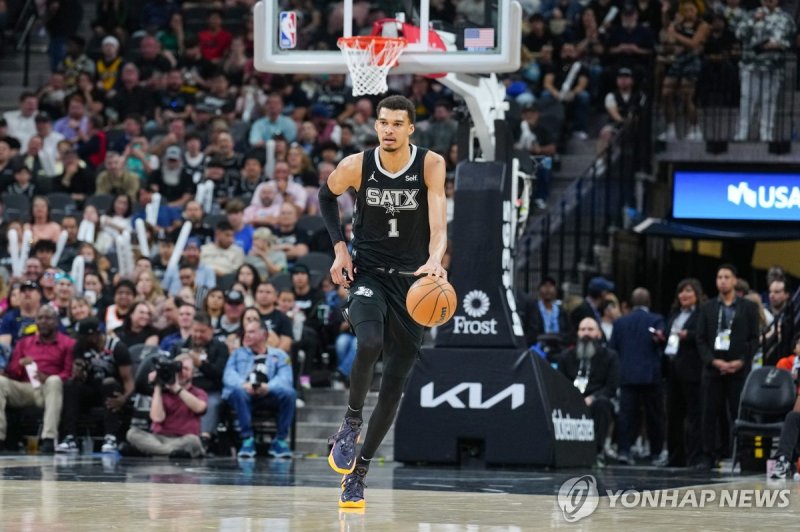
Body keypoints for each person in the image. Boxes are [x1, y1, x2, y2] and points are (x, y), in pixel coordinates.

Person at [318, 95, 447, 508]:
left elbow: (439, 223)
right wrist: (339, 249)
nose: (388, 129)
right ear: (376, 126)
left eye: (397, 123)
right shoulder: (358, 165)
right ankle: (351, 419)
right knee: (369, 343)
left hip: (413, 284)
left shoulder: (430, 163)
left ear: (411, 128)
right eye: (383, 122)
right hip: (368, 273)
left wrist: (434, 261)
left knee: (394, 384)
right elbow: (325, 196)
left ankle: (359, 474)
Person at [695, 264, 760, 470]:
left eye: (726, 277)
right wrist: (714, 361)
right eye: (719, 276)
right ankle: (708, 455)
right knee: (709, 413)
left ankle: (741, 454)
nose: (722, 280)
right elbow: (701, 339)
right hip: (713, 368)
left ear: (734, 280)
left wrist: (741, 361)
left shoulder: (748, 308)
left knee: (738, 412)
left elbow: (754, 338)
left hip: (738, 369)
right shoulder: (707, 308)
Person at [0, 305, 75, 453]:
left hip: (49, 390)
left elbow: (68, 373)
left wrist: (46, 378)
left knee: (54, 381)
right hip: (26, 388)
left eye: (48, 318)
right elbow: (11, 373)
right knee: (0, 382)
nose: (44, 321)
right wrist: (20, 365)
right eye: (40, 318)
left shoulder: (68, 343)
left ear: (56, 322)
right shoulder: (24, 343)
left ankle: (48, 439)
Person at [56, 317, 134, 454]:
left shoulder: (117, 347)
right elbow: (78, 371)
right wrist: (78, 372)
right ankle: (70, 438)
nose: (81, 340)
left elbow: (128, 381)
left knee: (109, 383)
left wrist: (124, 398)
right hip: (90, 390)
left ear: (95, 335)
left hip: (112, 392)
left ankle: (111, 437)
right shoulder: (80, 347)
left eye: (84, 336)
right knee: (70, 385)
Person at [609, 287, 667, 465]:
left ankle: (624, 450)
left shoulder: (620, 322)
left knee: (626, 415)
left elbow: (613, 348)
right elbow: (662, 344)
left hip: (627, 375)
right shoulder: (657, 320)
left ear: (631, 303)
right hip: (651, 376)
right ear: (649, 302)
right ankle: (656, 451)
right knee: (654, 416)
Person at [223, 320, 296, 459]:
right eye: (246, 332)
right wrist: (244, 384)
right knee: (237, 392)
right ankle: (247, 440)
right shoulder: (237, 354)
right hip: (244, 394)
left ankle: (280, 441)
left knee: (290, 393)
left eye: (251, 332)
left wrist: (268, 387)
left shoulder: (280, 355)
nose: (246, 335)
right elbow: (228, 376)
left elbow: (286, 379)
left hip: (270, 395)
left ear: (264, 335)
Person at [558, 317, 619, 466]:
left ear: (598, 333)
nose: (586, 333)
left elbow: (611, 387)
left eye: (590, 329)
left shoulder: (610, 356)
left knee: (603, 404)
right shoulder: (566, 357)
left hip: (597, 399)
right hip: (571, 399)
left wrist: (592, 398)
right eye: (583, 329)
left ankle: (597, 452)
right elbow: (559, 383)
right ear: (578, 333)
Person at [734, 0, 795, 142]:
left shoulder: (785, 18)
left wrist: (778, 44)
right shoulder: (750, 15)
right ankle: (742, 133)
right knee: (747, 99)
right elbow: (739, 34)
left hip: (773, 67)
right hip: (750, 65)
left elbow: (790, 41)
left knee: (769, 100)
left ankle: (766, 133)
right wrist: (753, 20)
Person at [126, 354, 207, 458]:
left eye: (186, 369)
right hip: (158, 438)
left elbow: (200, 408)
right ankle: (169, 453)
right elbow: (157, 418)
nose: (182, 372)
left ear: (192, 373)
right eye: (179, 369)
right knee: (132, 433)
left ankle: (150, 452)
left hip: (183, 439)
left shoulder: (198, 392)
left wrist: (176, 388)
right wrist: (157, 386)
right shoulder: (162, 392)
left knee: (193, 441)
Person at [168, 311, 228, 448]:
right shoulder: (179, 346)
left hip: (209, 389)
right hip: (184, 388)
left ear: (211, 331)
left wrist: (201, 364)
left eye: (203, 331)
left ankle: (204, 439)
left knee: (212, 403)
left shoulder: (220, 347)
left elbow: (219, 374)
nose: (198, 335)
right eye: (195, 331)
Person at [664, 278, 705, 468]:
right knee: (673, 416)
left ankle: (694, 456)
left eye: (688, 291)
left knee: (694, 416)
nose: (684, 295)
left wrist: (687, 335)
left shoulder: (701, 315)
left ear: (696, 294)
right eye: (681, 291)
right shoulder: (674, 313)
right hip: (673, 369)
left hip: (692, 371)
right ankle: (674, 456)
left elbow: (704, 336)